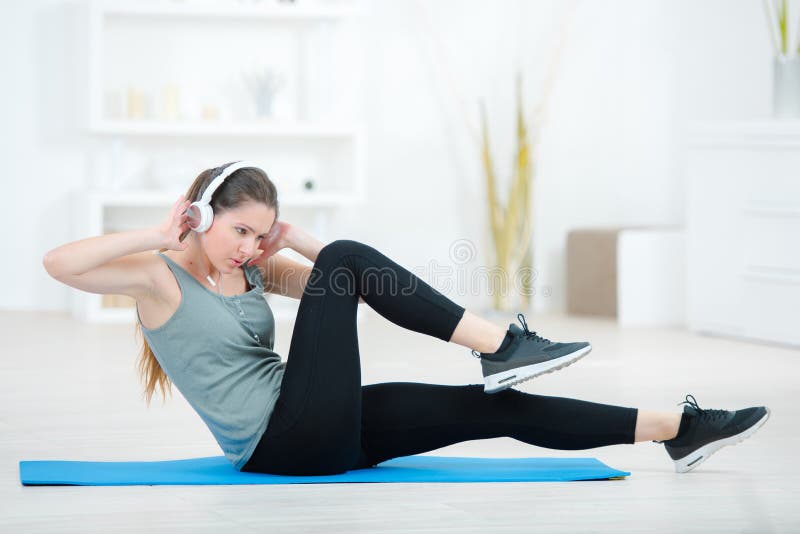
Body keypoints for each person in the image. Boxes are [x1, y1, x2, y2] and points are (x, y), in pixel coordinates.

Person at [43, 161, 770, 476]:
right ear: (200, 216)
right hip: (280, 441)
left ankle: (678, 430)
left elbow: (360, 282)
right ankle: (502, 344)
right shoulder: (158, 280)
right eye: (237, 230)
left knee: (496, 411)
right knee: (352, 253)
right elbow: (59, 264)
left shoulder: (257, 267)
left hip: (321, 425)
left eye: (259, 232)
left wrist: (290, 240)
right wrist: (160, 233)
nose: (248, 247)